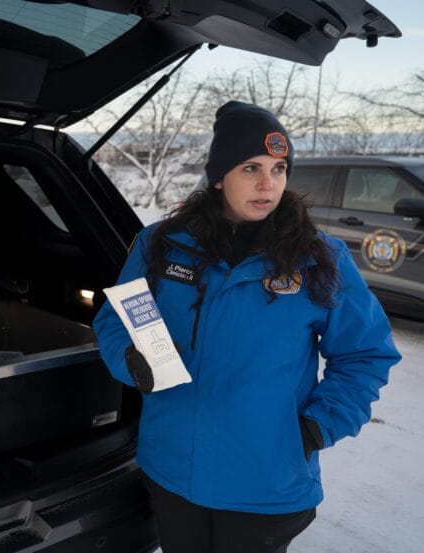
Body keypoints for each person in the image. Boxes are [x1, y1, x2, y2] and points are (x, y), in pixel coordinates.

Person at [92, 100, 401, 553]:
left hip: (265, 480)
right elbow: (116, 319)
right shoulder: (161, 244)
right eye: (251, 167)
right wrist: (130, 358)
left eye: (279, 169)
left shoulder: (319, 258)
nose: (267, 184)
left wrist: (315, 429)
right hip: (173, 468)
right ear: (219, 176)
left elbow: (366, 355)